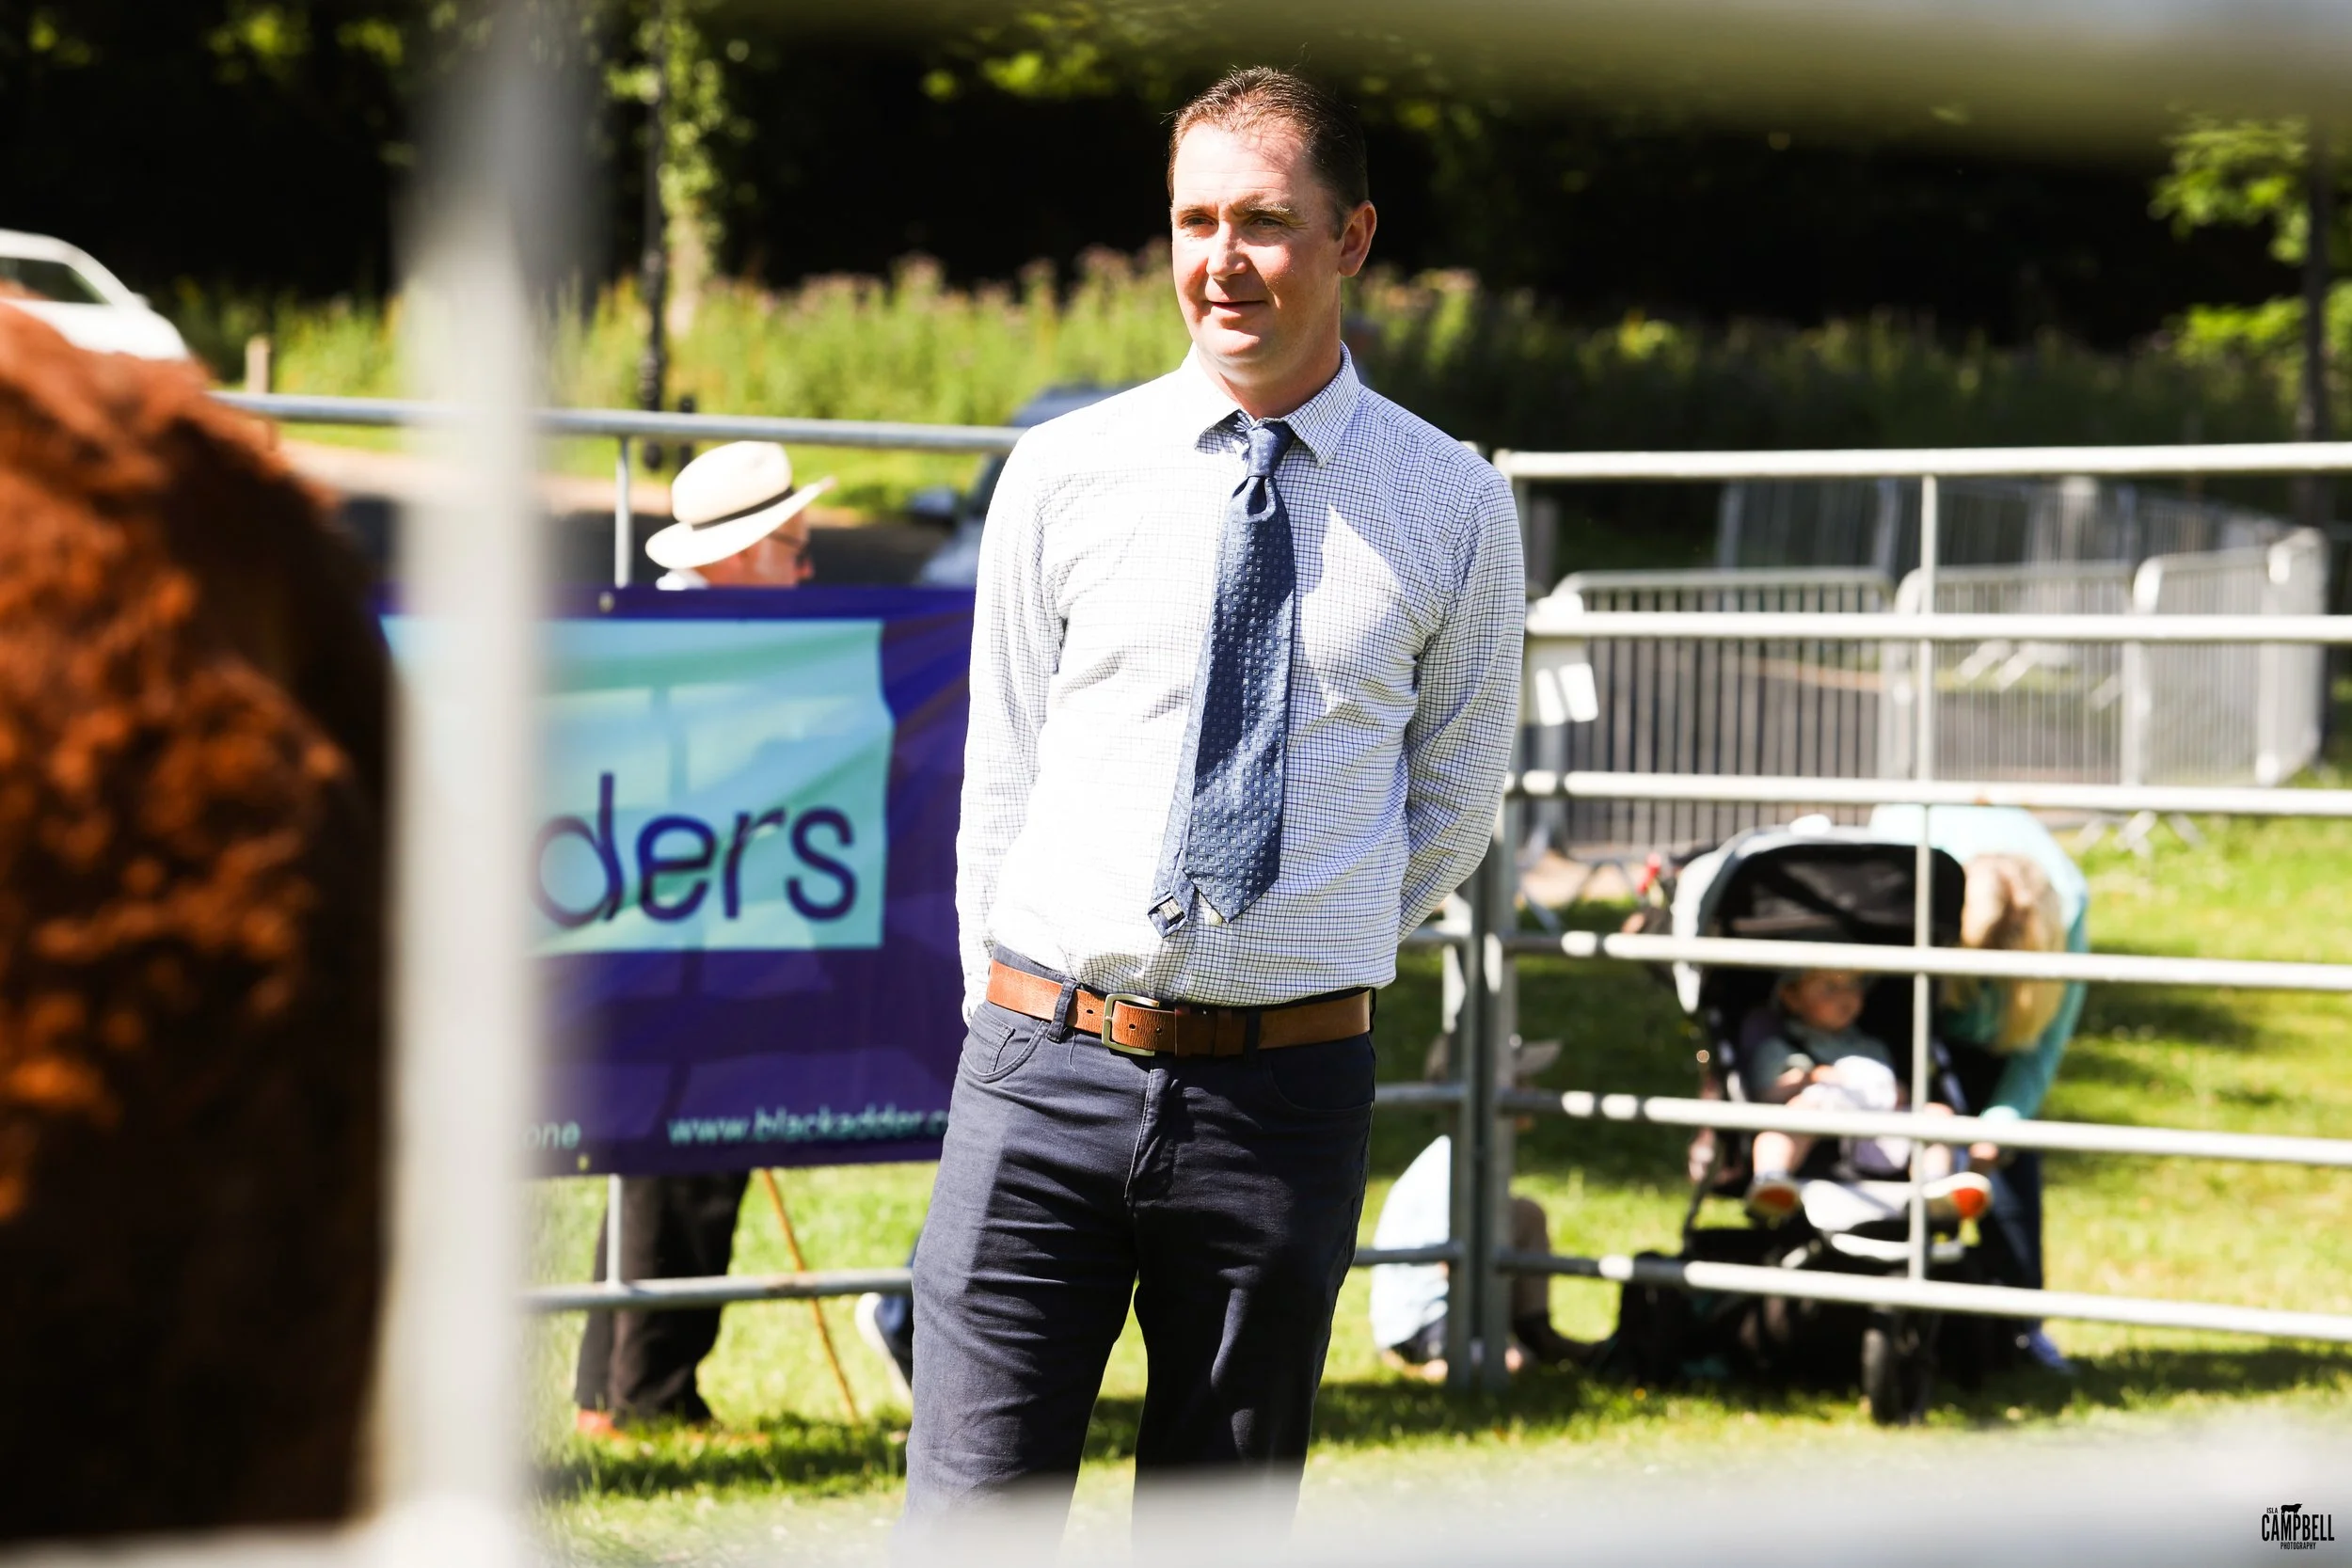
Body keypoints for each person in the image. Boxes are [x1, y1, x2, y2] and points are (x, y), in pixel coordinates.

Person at [911, 67, 1523, 1527]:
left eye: (1263, 221)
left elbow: (1456, 792)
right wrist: (1000, 1008)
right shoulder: (1062, 472)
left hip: (1282, 1097)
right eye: (1194, 221)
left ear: (1353, 239)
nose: (1220, 262)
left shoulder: (1454, 502)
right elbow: (1001, 761)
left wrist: (1293, 943)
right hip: (1039, 1069)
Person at [573, 440, 834, 1434]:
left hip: (666, 924)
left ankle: (613, 1389)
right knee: (694, 1157)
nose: (808, 568)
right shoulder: (700, 638)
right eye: (795, 549)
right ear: (746, 549)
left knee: (659, 1152)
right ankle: (655, 1395)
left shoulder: (674, 622)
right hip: (693, 932)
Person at [1870, 803, 2090, 1374]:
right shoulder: (1906, 857)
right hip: (1911, 1008)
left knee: (2008, 1164)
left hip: (2007, 1038)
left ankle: (2020, 1323)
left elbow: (2042, 1049)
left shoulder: (2068, 902)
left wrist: (1999, 1128)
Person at [1368, 1041, 1589, 1380]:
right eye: (1520, 1082)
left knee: (1526, 1213)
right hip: (1428, 1320)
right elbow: (1448, 1262)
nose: (1531, 1091)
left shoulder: (1482, 1154)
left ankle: (1535, 1331)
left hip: (1455, 1312)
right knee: (1509, 1365)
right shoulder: (1453, 1163)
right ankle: (1431, 1362)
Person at [1737, 968, 1992, 1227]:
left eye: (1854, 987)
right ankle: (1771, 1179)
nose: (1845, 996)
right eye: (1830, 988)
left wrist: (1898, 1092)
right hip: (1820, 1128)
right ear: (1791, 997)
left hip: (1876, 1129)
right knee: (1793, 1116)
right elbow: (1766, 1093)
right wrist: (1811, 1077)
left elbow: (1890, 1089)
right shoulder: (1779, 1044)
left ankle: (1934, 1185)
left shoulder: (1873, 1046)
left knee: (1937, 1114)